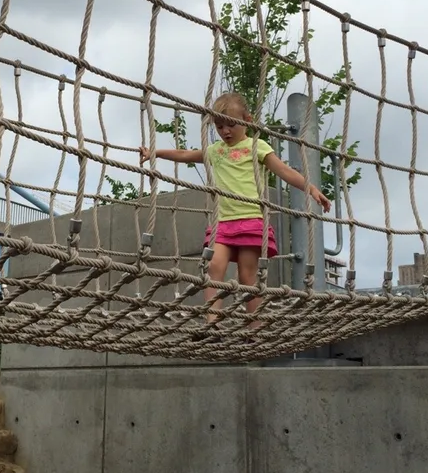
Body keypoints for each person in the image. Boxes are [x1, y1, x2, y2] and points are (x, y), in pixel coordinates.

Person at [139, 91, 331, 329]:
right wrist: (154, 153)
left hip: (251, 221)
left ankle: (254, 326)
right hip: (223, 222)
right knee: (212, 267)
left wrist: (310, 188)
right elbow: (185, 154)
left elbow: (284, 171)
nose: (225, 131)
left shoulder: (256, 147)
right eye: (219, 127)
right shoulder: (215, 151)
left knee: (247, 276)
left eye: (231, 125)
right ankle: (213, 323)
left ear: (247, 121)